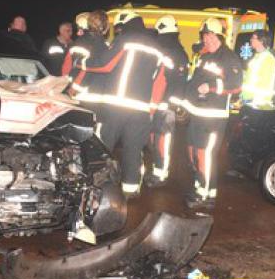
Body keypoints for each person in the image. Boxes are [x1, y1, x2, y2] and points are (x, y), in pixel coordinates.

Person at [72, 12, 170, 198]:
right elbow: (161, 82)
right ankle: (130, 191)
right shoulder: (158, 48)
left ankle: (96, 189)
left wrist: (81, 63)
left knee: (101, 149)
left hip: (115, 106)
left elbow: (105, 65)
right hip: (141, 110)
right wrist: (151, 108)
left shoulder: (125, 40)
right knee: (133, 151)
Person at [170, 18, 242, 209]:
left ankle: (205, 196)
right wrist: (182, 103)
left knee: (205, 155)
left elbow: (236, 86)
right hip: (197, 114)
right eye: (203, 37)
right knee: (193, 153)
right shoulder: (204, 56)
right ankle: (201, 188)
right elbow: (193, 82)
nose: (205, 40)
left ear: (216, 35)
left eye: (208, 37)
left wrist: (211, 87)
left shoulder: (229, 58)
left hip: (213, 117)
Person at [146, 15, 189, 188]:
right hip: (168, 104)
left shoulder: (166, 50)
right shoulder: (180, 51)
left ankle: (161, 174)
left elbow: (160, 78)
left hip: (162, 104)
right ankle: (158, 171)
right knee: (158, 140)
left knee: (161, 141)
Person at [62, 10, 110, 84]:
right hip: (85, 89)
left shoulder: (76, 43)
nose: (78, 31)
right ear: (106, 27)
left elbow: (66, 69)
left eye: (80, 28)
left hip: (72, 86)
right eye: (78, 28)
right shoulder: (102, 45)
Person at [240, 29, 275, 109]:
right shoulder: (256, 57)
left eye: (253, 38)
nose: (251, 40)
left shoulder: (268, 58)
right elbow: (251, 77)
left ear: (261, 41)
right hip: (248, 99)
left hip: (257, 103)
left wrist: (256, 102)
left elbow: (265, 83)